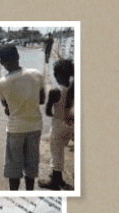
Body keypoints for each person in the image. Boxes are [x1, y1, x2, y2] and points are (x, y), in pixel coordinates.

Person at [0, 45, 45, 190]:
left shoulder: (1, 84)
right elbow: (41, 101)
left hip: (15, 129)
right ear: (18, 56)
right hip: (35, 126)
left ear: (2, 63)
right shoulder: (36, 74)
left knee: (13, 170)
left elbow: (8, 110)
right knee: (31, 167)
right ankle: (30, 195)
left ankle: (14, 199)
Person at [39, 59, 75, 190]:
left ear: (57, 75)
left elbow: (48, 112)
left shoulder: (55, 91)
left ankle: (55, 181)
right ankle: (58, 177)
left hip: (59, 125)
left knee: (56, 153)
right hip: (73, 125)